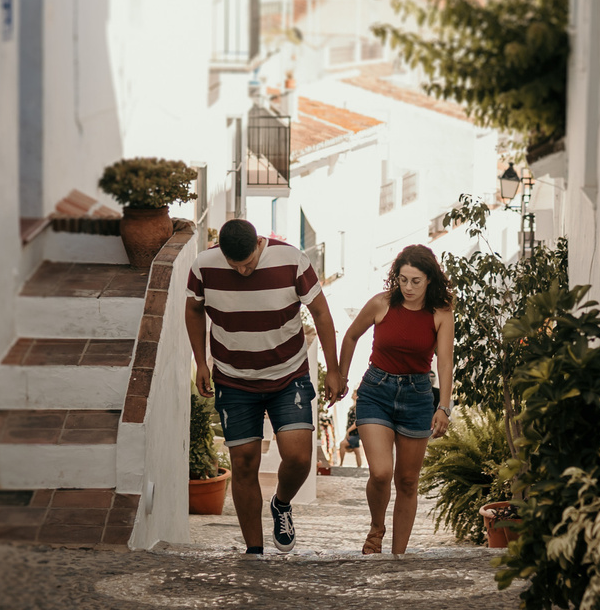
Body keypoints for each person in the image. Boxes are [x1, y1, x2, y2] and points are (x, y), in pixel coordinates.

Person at [185, 218, 342, 555]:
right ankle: (254, 552)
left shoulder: (292, 261)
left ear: (259, 243)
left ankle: (282, 504)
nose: (243, 272)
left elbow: (321, 313)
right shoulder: (203, 267)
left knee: (299, 457)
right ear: (221, 254)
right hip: (233, 378)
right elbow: (194, 310)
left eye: (249, 264)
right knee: (243, 463)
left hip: (289, 375)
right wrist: (201, 361)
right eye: (234, 265)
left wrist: (333, 369)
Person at [332, 245, 454, 555]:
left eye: (416, 281)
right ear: (395, 278)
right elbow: (350, 336)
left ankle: (398, 557)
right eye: (403, 280)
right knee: (382, 472)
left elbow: (444, 363)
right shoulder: (381, 304)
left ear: (429, 280)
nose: (409, 288)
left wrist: (444, 407)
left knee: (408, 481)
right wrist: (342, 377)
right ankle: (376, 529)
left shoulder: (441, 314)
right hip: (377, 391)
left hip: (417, 397)